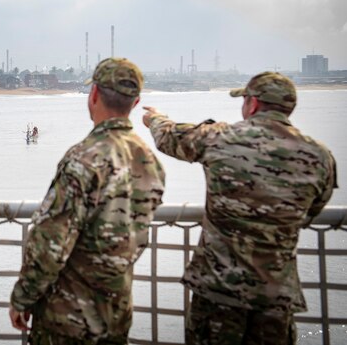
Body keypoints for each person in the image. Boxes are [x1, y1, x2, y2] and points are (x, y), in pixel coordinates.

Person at [142, 71, 337, 345]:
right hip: (275, 298)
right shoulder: (319, 156)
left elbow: (170, 138)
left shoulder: (220, 137)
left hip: (218, 294)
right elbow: (311, 210)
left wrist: (155, 118)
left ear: (253, 104)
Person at [9, 58, 166, 344]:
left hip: (68, 315)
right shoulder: (150, 161)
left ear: (93, 95)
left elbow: (51, 243)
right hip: (117, 309)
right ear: (135, 102)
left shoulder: (84, 159)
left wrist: (23, 297)